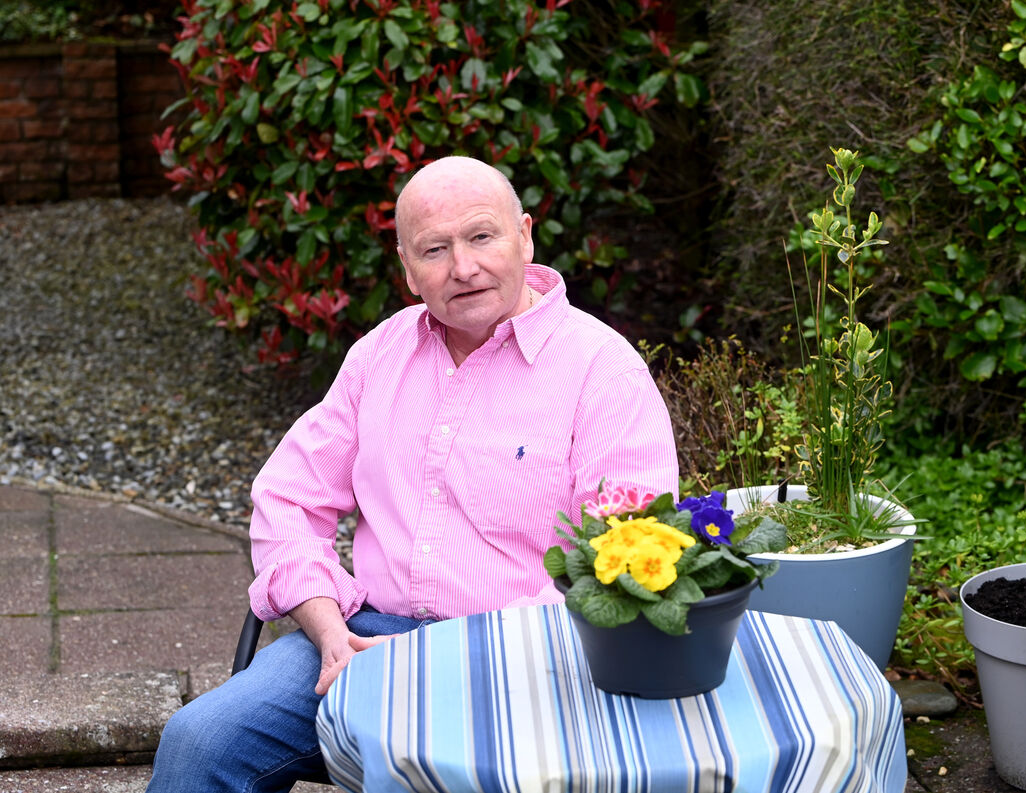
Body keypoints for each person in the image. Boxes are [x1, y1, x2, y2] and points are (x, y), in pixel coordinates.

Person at [146, 156, 679, 791]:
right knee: (200, 742)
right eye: (435, 249)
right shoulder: (380, 355)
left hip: (525, 659)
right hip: (365, 641)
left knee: (429, 770)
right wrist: (329, 631)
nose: (464, 267)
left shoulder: (602, 370)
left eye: (482, 236)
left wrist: (446, 661)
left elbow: (619, 563)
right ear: (407, 270)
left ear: (525, 235)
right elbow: (288, 497)